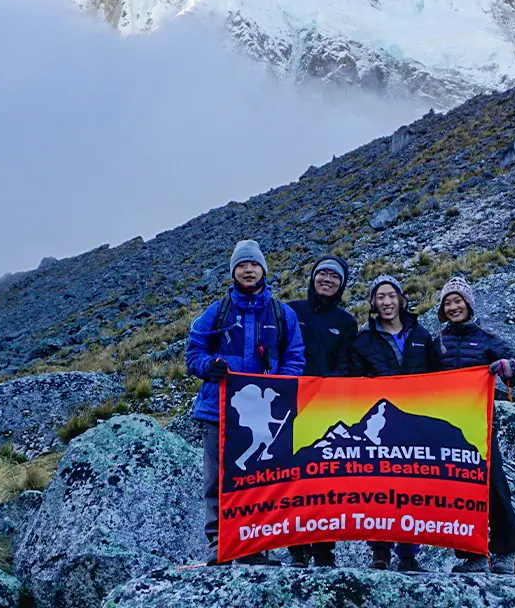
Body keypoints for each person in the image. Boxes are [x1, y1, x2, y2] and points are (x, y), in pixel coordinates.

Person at [185, 239, 306, 565]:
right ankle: (220, 546)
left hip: (263, 415)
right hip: (219, 412)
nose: (248, 270)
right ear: (233, 272)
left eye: (253, 265)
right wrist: (207, 368)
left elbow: (296, 357)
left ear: (263, 270)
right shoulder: (217, 312)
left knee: (260, 482)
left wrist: (279, 384)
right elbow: (194, 351)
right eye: (241, 265)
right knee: (217, 481)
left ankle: (255, 547)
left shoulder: (283, 314)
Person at [334, 273, 439, 572]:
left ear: (402, 300)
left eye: (391, 295)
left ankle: (409, 554)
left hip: (414, 421)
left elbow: (438, 375)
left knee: (413, 486)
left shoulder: (421, 336)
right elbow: (350, 378)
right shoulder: (363, 341)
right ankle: (380, 551)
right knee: (379, 487)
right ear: (372, 303)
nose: (387, 302)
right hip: (380, 424)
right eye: (380, 297)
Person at [434, 276, 515, 574]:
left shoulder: (487, 338)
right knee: (458, 489)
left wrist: (509, 368)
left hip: (481, 424)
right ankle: (473, 555)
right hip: (447, 426)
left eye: (458, 301)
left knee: (494, 485)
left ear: (469, 305)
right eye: (448, 302)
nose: (453, 307)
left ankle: (507, 552)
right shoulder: (436, 342)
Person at [284, 255, 357, 568]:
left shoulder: (347, 322)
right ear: (312, 277)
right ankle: (296, 548)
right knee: (292, 477)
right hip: (288, 406)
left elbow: (346, 364)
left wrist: (326, 387)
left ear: (341, 285)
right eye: (323, 274)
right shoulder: (291, 310)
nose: (327, 280)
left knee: (326, 480)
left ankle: (325, 550)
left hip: (327, 408)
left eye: (335, 277)